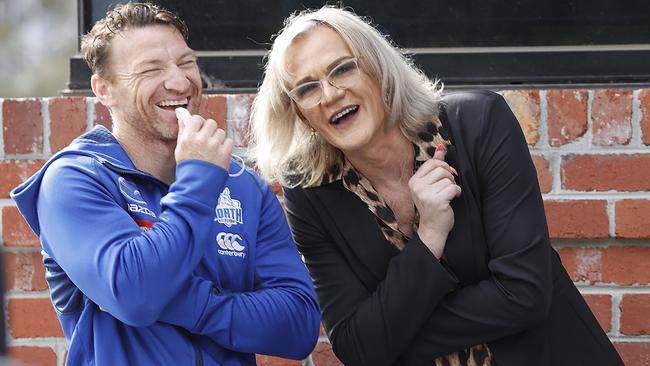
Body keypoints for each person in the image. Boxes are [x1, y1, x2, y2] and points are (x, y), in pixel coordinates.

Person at [250, 6, 623, 366]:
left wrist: (394, 340)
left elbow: (525, 294)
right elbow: (355, 347)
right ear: (299, 112)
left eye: (343, 69)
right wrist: (428, 238)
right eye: (307, 89)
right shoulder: (310, 191)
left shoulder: (479, 124)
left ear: (379, 70)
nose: (330, 94)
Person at [11, 3, 320, 365]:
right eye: (150, 69)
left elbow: (299, 326)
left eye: (186, 63)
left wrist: (183, 301)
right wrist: (199, 182)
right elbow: (137, 295)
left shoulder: (242, 185)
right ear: (104, 89)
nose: (179, 81)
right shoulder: (73, 180)